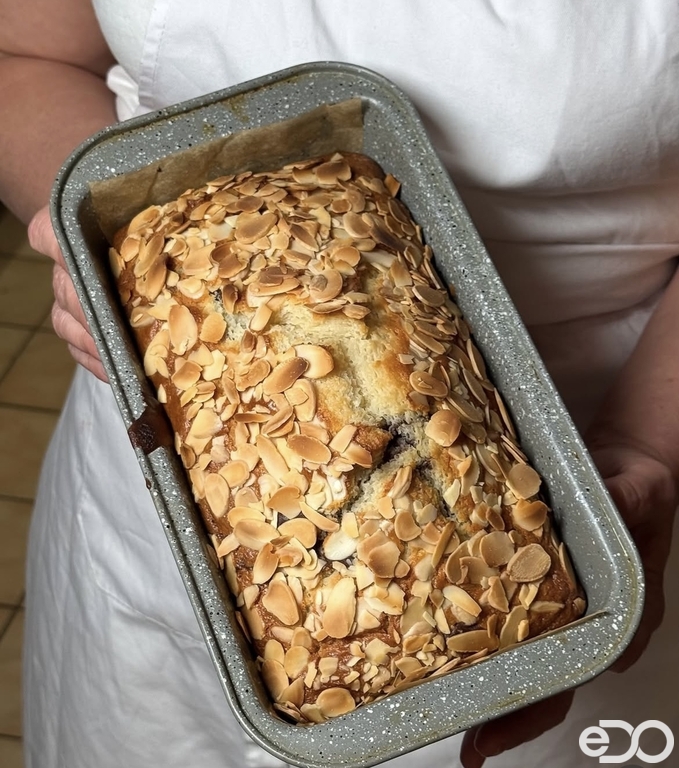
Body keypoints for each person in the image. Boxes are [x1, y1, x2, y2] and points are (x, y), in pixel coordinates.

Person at [1, 1, 677, 766]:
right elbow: (26, 59)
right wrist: (81, 235)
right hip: (157, 424)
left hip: (599, 444)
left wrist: (647, 440)